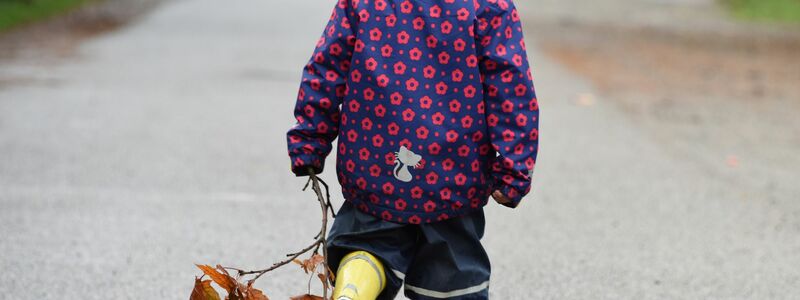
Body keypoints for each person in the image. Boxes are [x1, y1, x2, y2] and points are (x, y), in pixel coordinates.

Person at [286, 0, 539, 298]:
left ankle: (358, 279)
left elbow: (327, 69)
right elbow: (511, 89)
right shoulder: (488, 6)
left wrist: (310, 140)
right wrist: (514, 169)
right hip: (453, 178)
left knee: (367, 243)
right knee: (451, 275)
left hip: (374, 168)